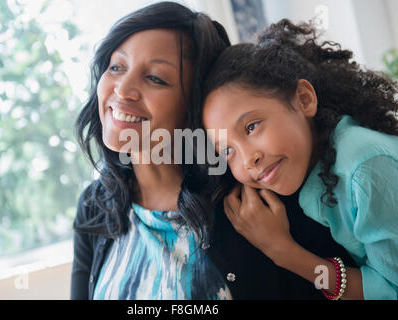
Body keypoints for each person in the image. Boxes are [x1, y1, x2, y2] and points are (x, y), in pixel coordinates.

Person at [71, 2, 354, 300]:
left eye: (155, 78)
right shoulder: (96, 205)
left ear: (197, 105)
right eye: (117, 67)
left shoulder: (261, 205)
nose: (123, 89)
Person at [201, 19, 398, 300]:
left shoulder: (364, 168)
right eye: (227, 150)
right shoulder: (315, 170)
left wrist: (283, 251)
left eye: (251, 127)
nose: (248, 159)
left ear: (304, 99)